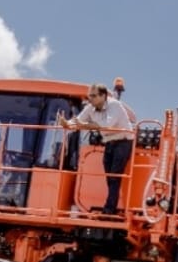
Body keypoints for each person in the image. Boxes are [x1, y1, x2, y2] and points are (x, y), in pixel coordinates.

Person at [57, 82, 135, 215]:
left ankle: (109, 209)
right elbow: (77, 121)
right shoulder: (90, 107)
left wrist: (83, 125)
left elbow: (106, 125)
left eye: (93, 96)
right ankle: (110, 206)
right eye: (89, 96)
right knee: (109, 176)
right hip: (109, 143)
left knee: (114, 176)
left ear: (103, 96)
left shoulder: (114, 105)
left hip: (123, 142)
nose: (90, 99)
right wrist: (66, 124)